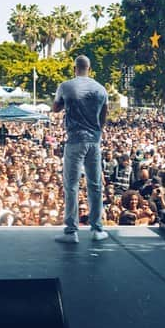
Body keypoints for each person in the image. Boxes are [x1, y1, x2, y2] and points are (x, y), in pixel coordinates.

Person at [53, 55, 109, 243]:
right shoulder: (101, 89)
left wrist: (67, 102)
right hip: (94, 141)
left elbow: (55, 108)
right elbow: (103, 117)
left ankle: (71, 232)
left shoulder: (65, 86)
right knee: (95, 185)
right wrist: (96, 132)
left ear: (74, 68)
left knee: (71, 186)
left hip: (75, 140)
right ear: (89, 68)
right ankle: (96, 229)